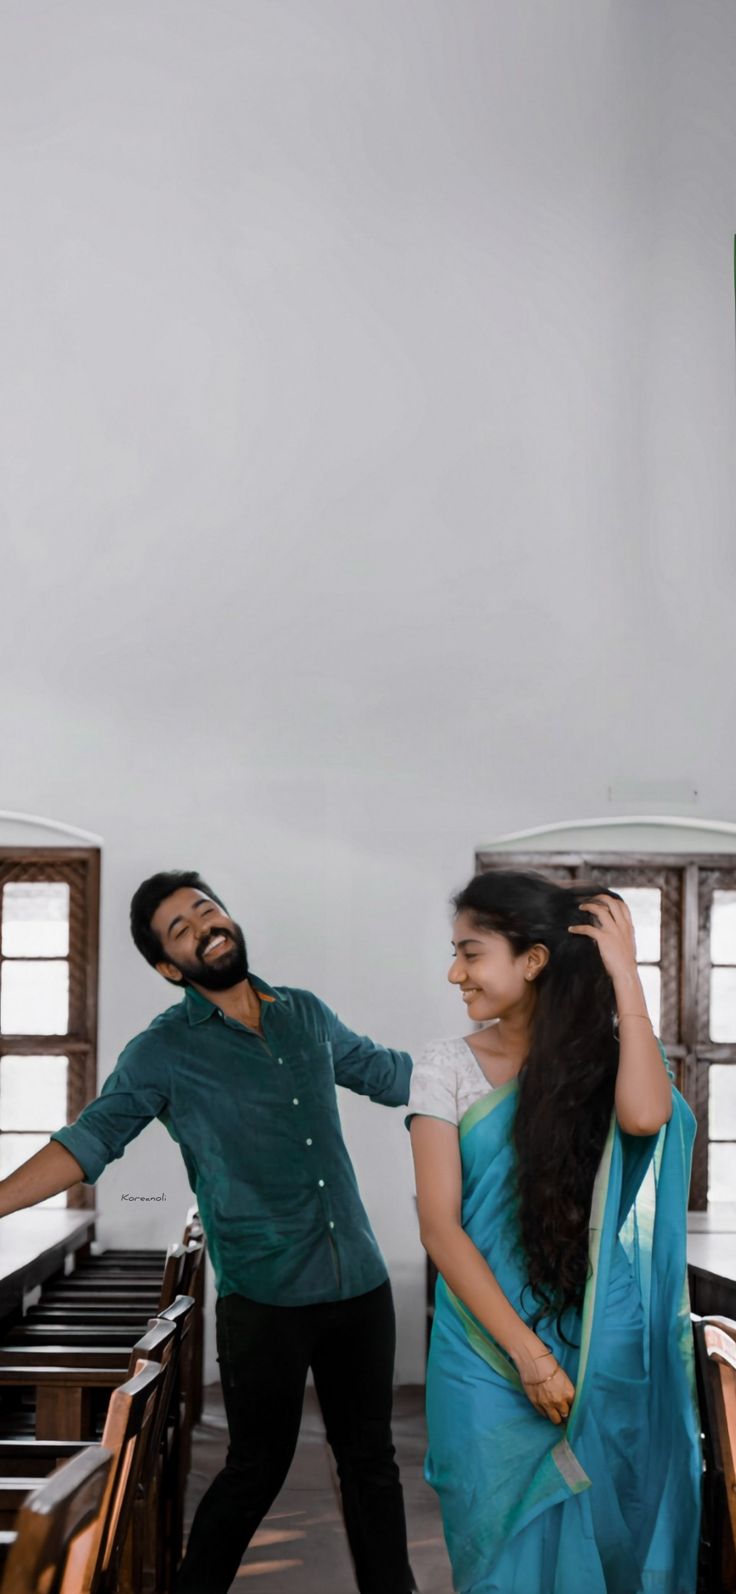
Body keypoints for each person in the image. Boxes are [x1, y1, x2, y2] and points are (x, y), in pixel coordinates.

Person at [0, 870, 416, 1594]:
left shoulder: (306, 1014)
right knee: (255, 1471)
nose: (203, 927)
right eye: (181, 930)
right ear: (170, 967)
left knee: (372, 1465)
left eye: (206, 910)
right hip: (266, 1296)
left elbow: (390, 1075)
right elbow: (89, 1140)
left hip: (359, 1281)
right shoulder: (162, 1051)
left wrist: (511, 1050)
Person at [408, 869, 701, 1594]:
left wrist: (627, 977)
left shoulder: (602, 1063)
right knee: (497, 1549)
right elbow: (441, 1230)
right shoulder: (445, 1068)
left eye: (471, 953)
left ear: (533, 959)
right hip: (483, 1348)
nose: (455, 973)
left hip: (589, 1338)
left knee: (594, 1540)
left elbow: (644, 1117)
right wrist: (529, 1358)